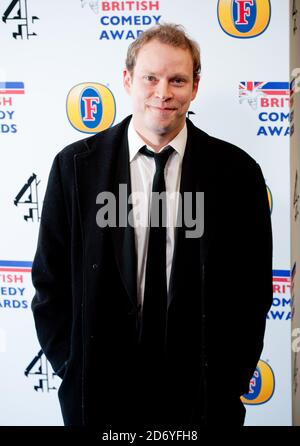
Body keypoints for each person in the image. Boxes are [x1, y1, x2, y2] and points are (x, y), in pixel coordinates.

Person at [31, 23, 273, 429]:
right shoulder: (74, 168)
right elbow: (50, 283)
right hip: (99, 399)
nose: (163, 92)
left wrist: (227, 379)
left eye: (177, 80)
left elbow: (251, 292)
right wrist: (73, 366)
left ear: (195, 87)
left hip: (201, 402)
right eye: (151, 78)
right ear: (128, 80)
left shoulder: (237, 173)